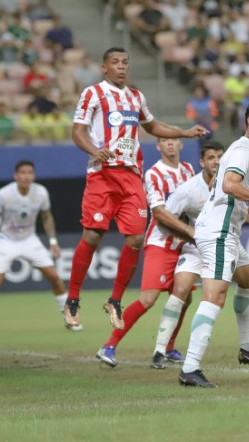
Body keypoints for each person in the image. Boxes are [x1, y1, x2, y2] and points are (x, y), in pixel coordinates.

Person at [66, 47, 208, 330]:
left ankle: (115, 300)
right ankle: (72, 299)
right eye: (115, 62)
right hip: (102, 174)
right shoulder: (92, 93)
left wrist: (184, 131)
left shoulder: (135, 97)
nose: (121, 66)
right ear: (105, 68)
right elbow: (77, 131)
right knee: (93, 236)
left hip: (131, 176)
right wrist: (95, 150)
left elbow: (152, 125)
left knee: (134, 239)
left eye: (125, 62)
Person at [179, 99, 249, 388]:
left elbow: (222, 189)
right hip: (218, 233)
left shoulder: (243, 150)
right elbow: (229, 184)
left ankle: (247, 349)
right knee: (214, 297)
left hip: (226, 230)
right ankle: (190, 368)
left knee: (248, 281)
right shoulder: (243, 150)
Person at [152, 140, 249, 369]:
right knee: (211, 297)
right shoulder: (194, 186)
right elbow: (164, 214)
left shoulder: (225, 167)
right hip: (209, 238)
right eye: (210, 158)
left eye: (218, 157)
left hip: (223, 235)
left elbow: (224, 195)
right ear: (201, 162)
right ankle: (185, 364)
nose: (216, 161)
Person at [95, 137, 196, 366]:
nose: (170, 144)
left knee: (185, 297)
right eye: (164, 141)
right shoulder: (153, 174)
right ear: (158, 147)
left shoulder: (189, 170)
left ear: (181, 144)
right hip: (161, 243)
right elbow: (160, 214)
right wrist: (191, 232)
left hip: (182, 245)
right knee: (148, 299)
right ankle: (108, 346)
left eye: (174, 140)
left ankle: (168, 348)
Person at [0, 160, 73, 325]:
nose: (26, 176)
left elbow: (47, 217)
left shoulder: (41, 193)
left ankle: (69, 318)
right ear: (16, 176)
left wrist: (53, 241)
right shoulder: (4, 194)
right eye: (23, 173)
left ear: (33, 176)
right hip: (6, 241)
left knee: (54, 276)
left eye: (30, 173)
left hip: (29, 240)